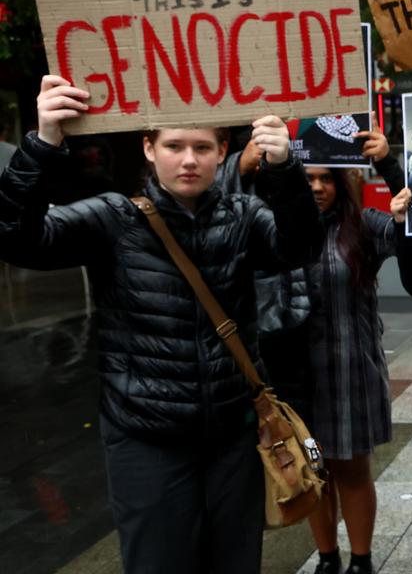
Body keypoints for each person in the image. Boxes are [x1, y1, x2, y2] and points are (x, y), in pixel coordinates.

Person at [0, 75, 322, 573]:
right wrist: (43, 144)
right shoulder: (113, 218)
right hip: (145, 441)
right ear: (149, 149)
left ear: (223, 152)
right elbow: (17, 239)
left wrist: (285, 170)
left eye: (201, 147)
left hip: (232, 438)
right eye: (173, 145)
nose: (188, 159)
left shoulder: (242, 215)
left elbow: (299, 248)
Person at [302, 150, 412, 574]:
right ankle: (327, 560)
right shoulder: (280, 228)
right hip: (300, 375)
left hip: (352, 369)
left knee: (352, 470)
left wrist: (394, 185)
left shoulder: (360, 225)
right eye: (308, 179)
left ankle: (360, 562)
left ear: (341, 183)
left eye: (326, 179)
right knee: (313, 472)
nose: (318, 187)